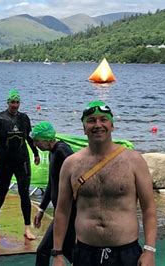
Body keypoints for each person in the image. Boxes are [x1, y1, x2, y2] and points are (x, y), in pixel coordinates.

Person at [53, 100, 157, 266]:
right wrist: (57, 253)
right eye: (91, 121)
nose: (98, 125)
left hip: (126, 253)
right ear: (84, 128)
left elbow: (149, 208)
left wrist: (149, 250)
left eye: (103, 120)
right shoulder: (71, 164)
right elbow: (62, 211)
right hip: (85, 253)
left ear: (112, 125)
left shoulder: (134, 161)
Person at [0, 88, 40, 240]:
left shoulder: (24, 118)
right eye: (12, 102)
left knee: (24, 193)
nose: (15, 105)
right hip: (4, 161)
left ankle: (27, 228)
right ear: (8, 102)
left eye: (17, 102)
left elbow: (29, 138)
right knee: (2, 191)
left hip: (22, 160)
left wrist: (36, 153)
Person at [31, 121, 76, 266]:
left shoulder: (62, 152)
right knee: (70, 251)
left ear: (46, 139)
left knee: (43, 250)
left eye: (37, 141)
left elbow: (80, 178)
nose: (35, 144)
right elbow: (52, 184)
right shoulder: (53, 152)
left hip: (68, 213)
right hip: (62, 213)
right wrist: (41, 209)